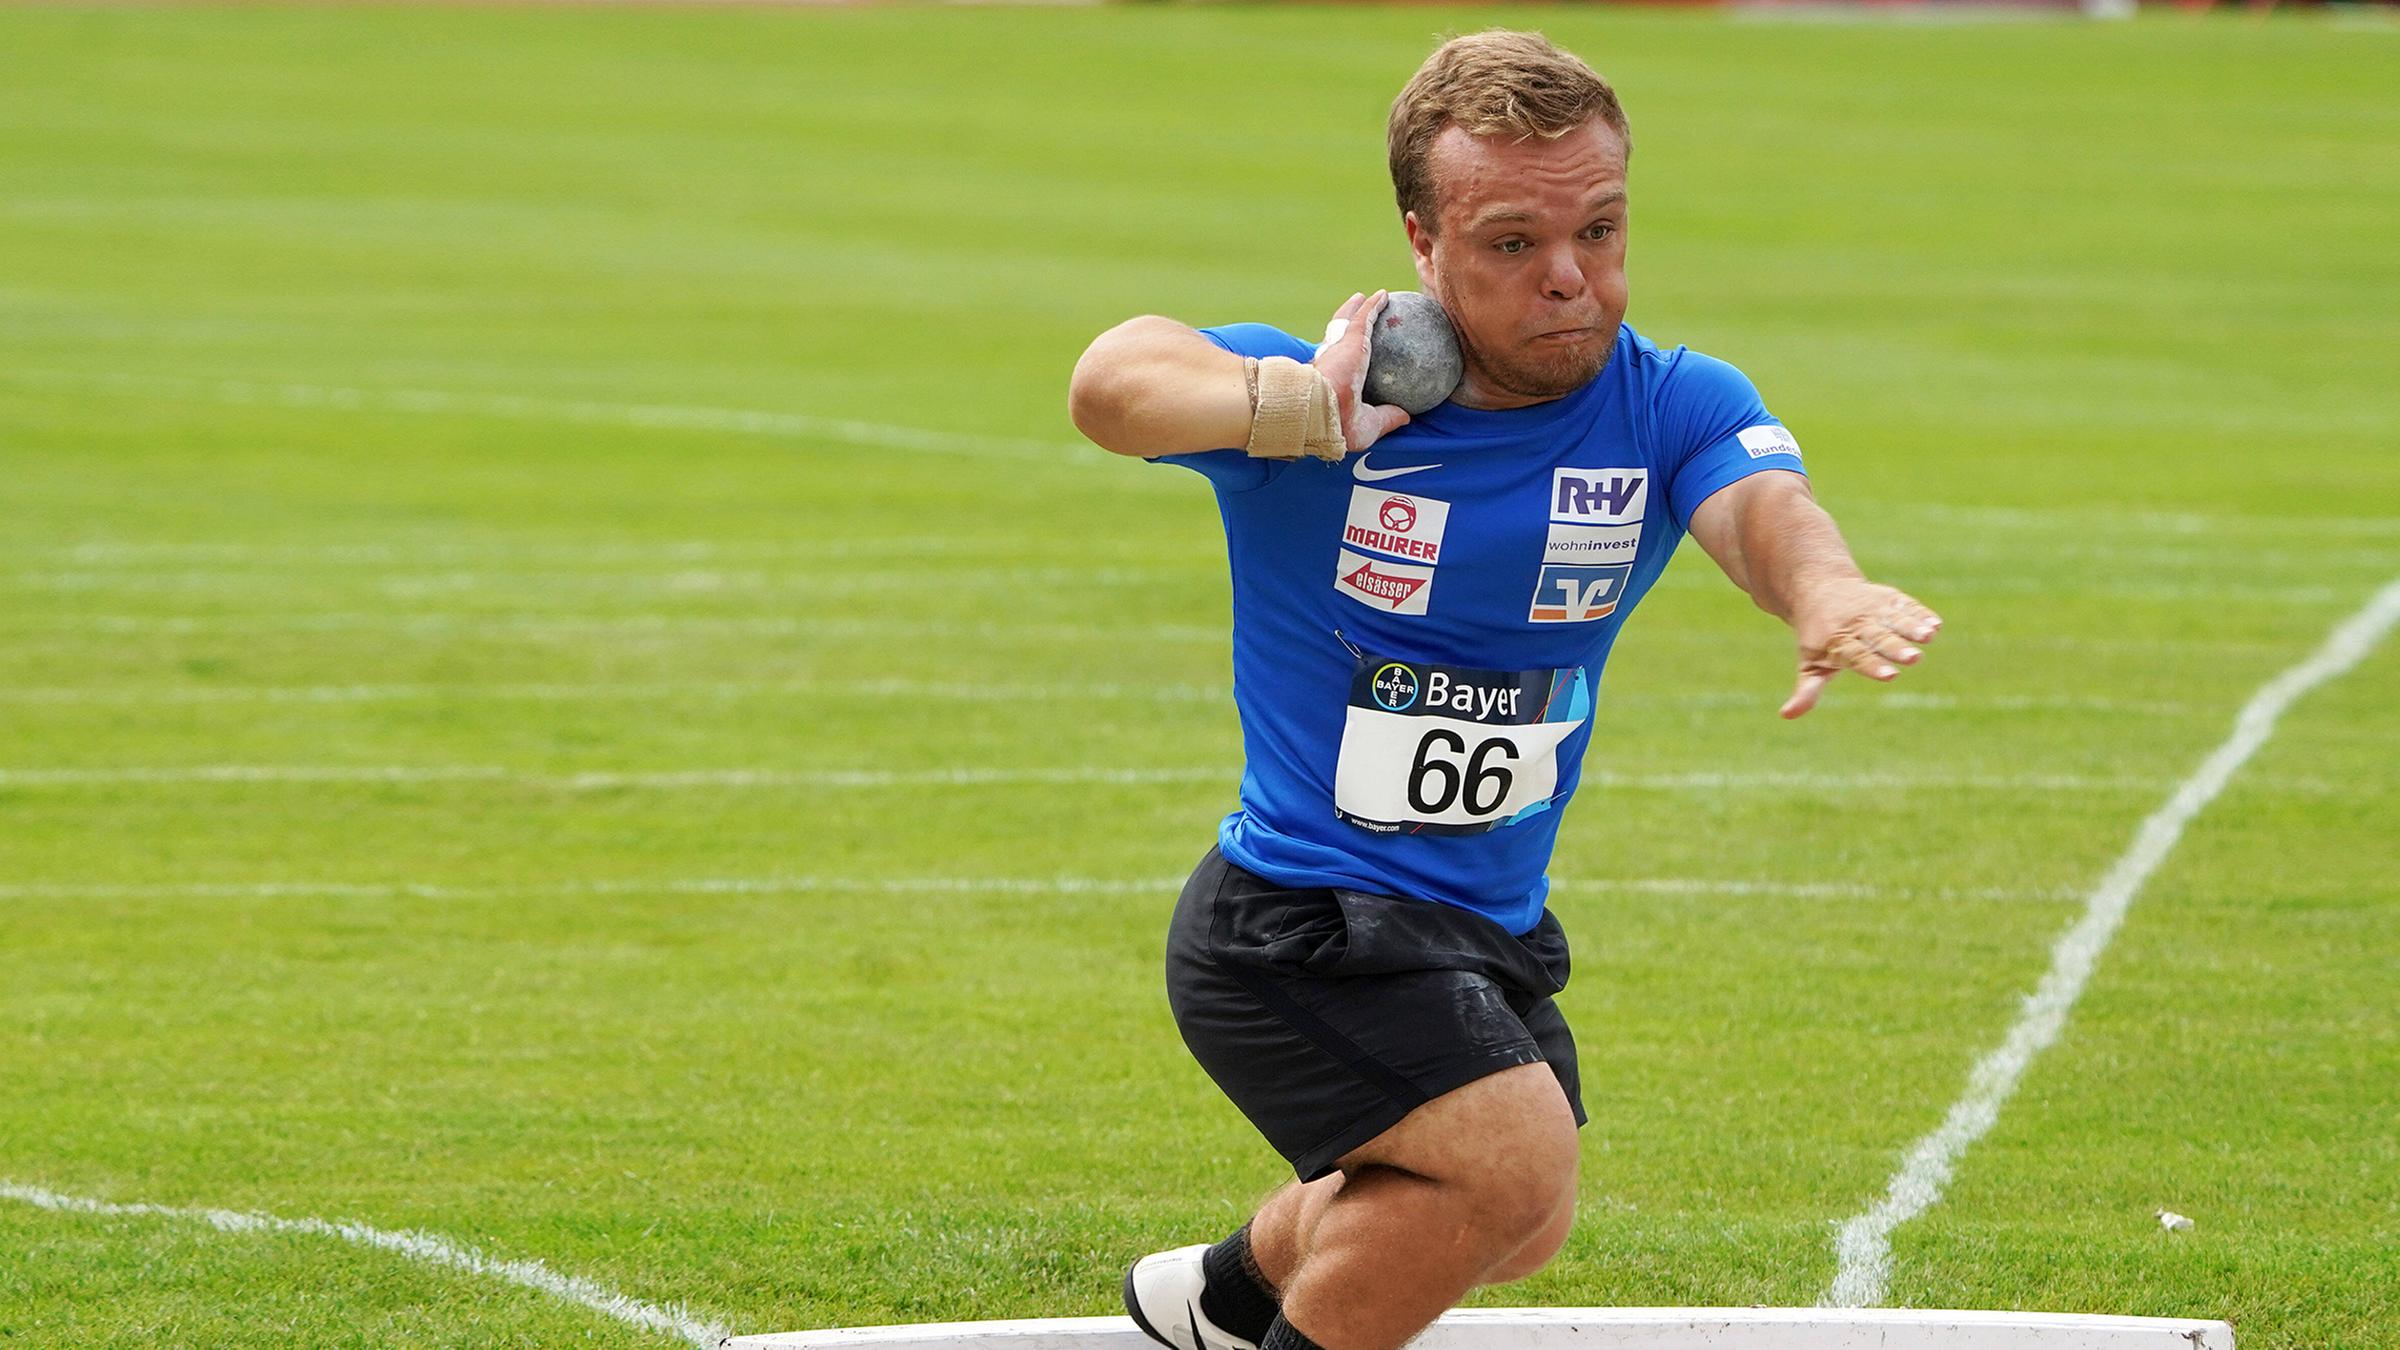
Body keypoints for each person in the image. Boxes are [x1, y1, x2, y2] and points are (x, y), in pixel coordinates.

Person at [1066, 29, 1940, 1350]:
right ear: (1423, 241)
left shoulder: (1669, 405)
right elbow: (1111, 380)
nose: (1572, 278)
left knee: (1516, 1223)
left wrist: (1825, 594)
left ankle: (1220, 1294)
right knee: (1509, 1159)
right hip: (1298, 915)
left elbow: (1765, 512)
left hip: (1482, 918)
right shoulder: (1335, 402)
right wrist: (1297, 408)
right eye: (1514, 243)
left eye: (1599, 228)